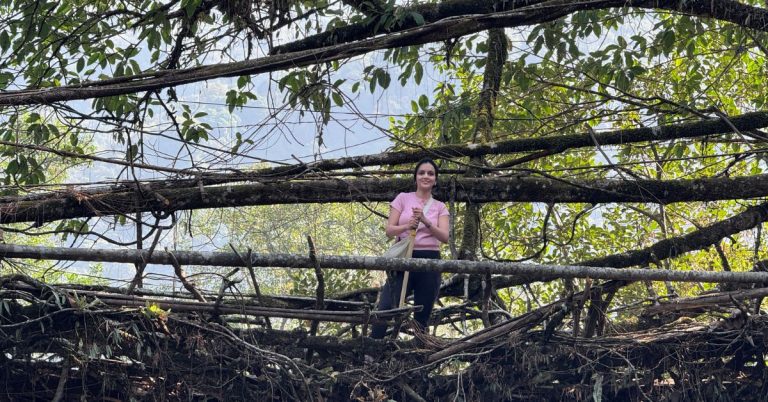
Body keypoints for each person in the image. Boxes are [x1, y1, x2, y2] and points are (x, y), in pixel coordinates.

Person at [371, 158, 450, 339]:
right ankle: (372, 353)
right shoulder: (403, 198)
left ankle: (417, 356)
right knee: (386, 306)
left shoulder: (440, 206)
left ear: (435, 180)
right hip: (404, 256)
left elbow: (444, 237)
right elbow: (389, 231)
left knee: (422, 314)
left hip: (430, 259)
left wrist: (425, 221)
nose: (426, 176)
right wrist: (408, 226)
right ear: (415, 177)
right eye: (421, 172)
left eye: (430, 173)